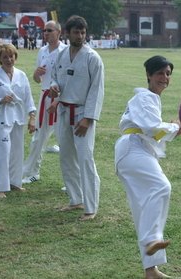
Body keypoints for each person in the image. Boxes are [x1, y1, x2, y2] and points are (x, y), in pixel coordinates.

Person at [114, 55, 180, 279]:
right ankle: (154, 240)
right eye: (160, 73)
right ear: (149, 76)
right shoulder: (144, 97)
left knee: (142, 207)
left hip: (136, 150)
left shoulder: (151, 99)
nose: (165, 78)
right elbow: (152, 128)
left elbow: (152, 131)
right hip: (132, 149)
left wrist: (175, 128)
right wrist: (175, 126)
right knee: (162, 187)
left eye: (168, 74)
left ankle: (151, 271)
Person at [49, 15, 104, 221]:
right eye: (76, 32)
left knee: (85, 158)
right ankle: (76, 199)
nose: (80, 36)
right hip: (64, 111)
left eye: (83, 32)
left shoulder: (92, 58)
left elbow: (97, 90)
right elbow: (55, 76)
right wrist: (55, 88)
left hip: (82, 114)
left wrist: (88, 118)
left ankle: (91, 207)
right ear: (67, 33)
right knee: (66, 157)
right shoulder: (61, 54)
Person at [0, 44, 36, 198]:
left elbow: (28, 97)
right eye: (5, 57)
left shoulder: (21, 75)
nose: (9, 59)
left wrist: (32, 116)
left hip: (18, 118)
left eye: (11, 56)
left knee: (17, 152)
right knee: (3, 152)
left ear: (15, 57)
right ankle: (1, 187)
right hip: (2, 119)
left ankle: (15, 182)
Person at [22, 21, 68, 184]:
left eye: (49, 30)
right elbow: (37, 79)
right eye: (44, 30)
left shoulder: (66, 51)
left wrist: (59, 98)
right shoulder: (41, 51)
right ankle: (32, 172)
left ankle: (69, 181)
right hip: (45, 97)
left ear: (59, 32)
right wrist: (35, 73)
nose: (46, 33)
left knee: (65, 139)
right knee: (38, 138)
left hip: (62, 99)